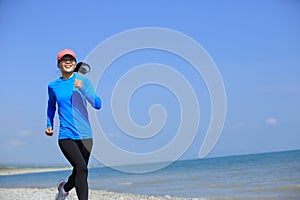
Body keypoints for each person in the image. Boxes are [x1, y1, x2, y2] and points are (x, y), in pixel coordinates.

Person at [45, 49, 101, 200]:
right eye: (64, 59)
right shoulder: (53, 86)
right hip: (66, 135)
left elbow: (98, 104)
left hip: (86, 135)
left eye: (71, 59)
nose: (68, 62)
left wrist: (83, 87)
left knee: (79, 171)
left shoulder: (84, 81)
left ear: (75, 63)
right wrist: (49, 123)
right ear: (59, 64)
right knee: (82, 168)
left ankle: (64, 188)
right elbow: (51, 106)